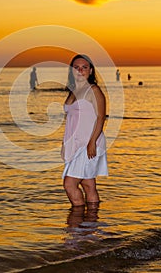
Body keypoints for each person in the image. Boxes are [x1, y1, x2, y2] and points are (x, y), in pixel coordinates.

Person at [61, 54, 108, 207]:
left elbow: (101, 117)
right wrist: (65, 144)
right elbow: (71, 120)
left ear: (91, 70)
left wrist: (92, 142)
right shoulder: (73, 91)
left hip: (89, 143)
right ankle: (91, 224)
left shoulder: (93, 90)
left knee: (69, 184)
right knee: (88, 184)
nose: (80, 70)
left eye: (84, 67)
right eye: (76, 67)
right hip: (76, 143)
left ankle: (78, 223)